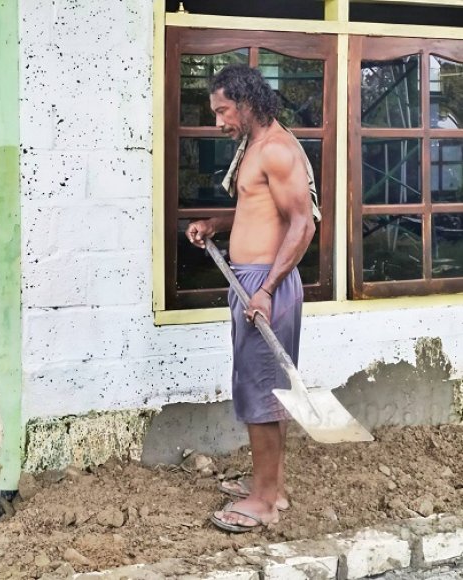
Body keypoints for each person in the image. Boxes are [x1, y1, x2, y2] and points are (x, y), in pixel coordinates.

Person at [187, 64, 319, 533]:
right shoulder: (255, 148)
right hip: (252, 279)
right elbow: (254, 210)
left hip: (266, 283)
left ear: (245, 102)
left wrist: (264, 290)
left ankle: (264, 501)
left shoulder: (278, 149)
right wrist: (214, 225)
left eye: (223, 110)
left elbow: (302, 225)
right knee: (268, 386)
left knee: (260, 390)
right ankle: (272, 485)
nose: (218, 121)